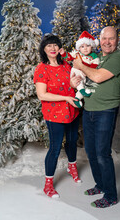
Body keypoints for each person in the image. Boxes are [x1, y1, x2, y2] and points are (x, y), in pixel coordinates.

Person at [72, 26, 120, 208]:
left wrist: (81, 66)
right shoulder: (97, 57)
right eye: (104, 38)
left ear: (117, 40)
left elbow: (97, 77)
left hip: (106, 110)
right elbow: (82, 77)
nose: (107, 42)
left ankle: (111, 196)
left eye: (111, 38)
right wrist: (75, 80)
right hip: (89, 109)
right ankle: (100, 185)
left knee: (103, 154)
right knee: (91, 152)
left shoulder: (117, 58)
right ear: (99, 40)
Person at [33, 33, 82, 199]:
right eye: (49, 46)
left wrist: (73, 85)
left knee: (72, 140)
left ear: (59, 48)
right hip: (54, 115)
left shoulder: (67, 66)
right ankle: (48, 185)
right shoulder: (41, 68)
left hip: (72, 111)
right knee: (55, 148)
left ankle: (72, 167)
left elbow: (69, 86)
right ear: (44, 49)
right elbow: (42, 95)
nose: (52, 48)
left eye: (55, 45)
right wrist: (66, 97)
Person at [59, 31, 100, 108]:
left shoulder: (94, 56)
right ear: (79, 48)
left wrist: (88, 70)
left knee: (82, 84)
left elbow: (95, 64)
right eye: (82, 47)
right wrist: (63, 53)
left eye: (87, 46)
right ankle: (82, 90)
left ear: (92, 46)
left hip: (84, 74)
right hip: (75, 71)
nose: (85, 49)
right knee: (79, 80)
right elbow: (69, 57)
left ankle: (77, 99)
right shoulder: (77, 53)